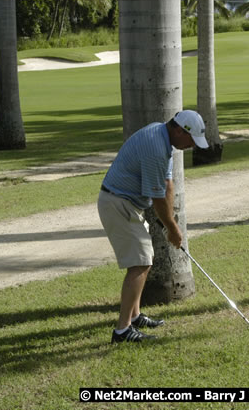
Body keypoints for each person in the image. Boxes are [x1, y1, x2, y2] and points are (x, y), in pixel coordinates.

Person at [97, 110, 209, 343]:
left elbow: (166, 183)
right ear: (179, 130)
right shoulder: (156, 148)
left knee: (142, 259)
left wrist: (170, 223)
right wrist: (173, 228)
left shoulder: (161, 135)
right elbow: (157, 197)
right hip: (119, 204)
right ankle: (122, 330)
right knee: (141, 262)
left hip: (127, 203)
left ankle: (135, 316)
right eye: (191, 140)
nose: (191, 146)